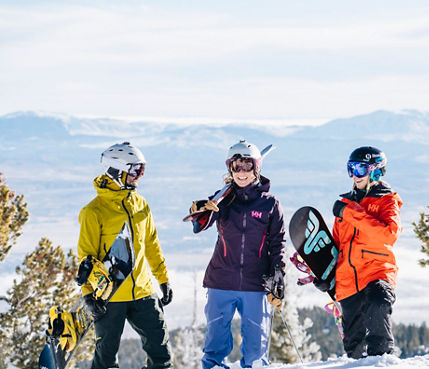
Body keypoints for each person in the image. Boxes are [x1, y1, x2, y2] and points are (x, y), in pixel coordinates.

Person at [189, 139, 286, 369]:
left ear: (257, 168)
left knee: (255, 346)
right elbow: (200, 224)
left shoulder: (270, 204)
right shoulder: (223, 199)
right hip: (221, 280)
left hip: (255, 283)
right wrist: (199, 210)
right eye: (236, 167)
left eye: (247, 166)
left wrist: (278, 274)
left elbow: (278, 243)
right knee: (215, 340)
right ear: (230, 169)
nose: (242, 172)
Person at [77, 142, 173, 369]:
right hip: (111, 296)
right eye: (134, 170)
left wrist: (163, 279)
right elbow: (86, 257)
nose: (139, 176)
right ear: (115, 170)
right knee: (106, 360)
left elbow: (152, 244)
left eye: (142, 170)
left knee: (162, 355)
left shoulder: (140, 204)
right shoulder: (94, 211)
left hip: (143, 291)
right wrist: (88, 296)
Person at [316, 146, 402, 359]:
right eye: (351, 169)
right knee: (355, 348)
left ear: (375, 170)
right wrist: (326, 275)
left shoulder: (387, 201)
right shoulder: (345, 203)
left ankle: (382, 360)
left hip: (376, 272)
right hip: (348, 283)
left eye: (360, 168)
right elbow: (337, 245)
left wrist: (350, 212)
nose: (355, 175)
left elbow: (387, 235)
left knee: (378, 304)